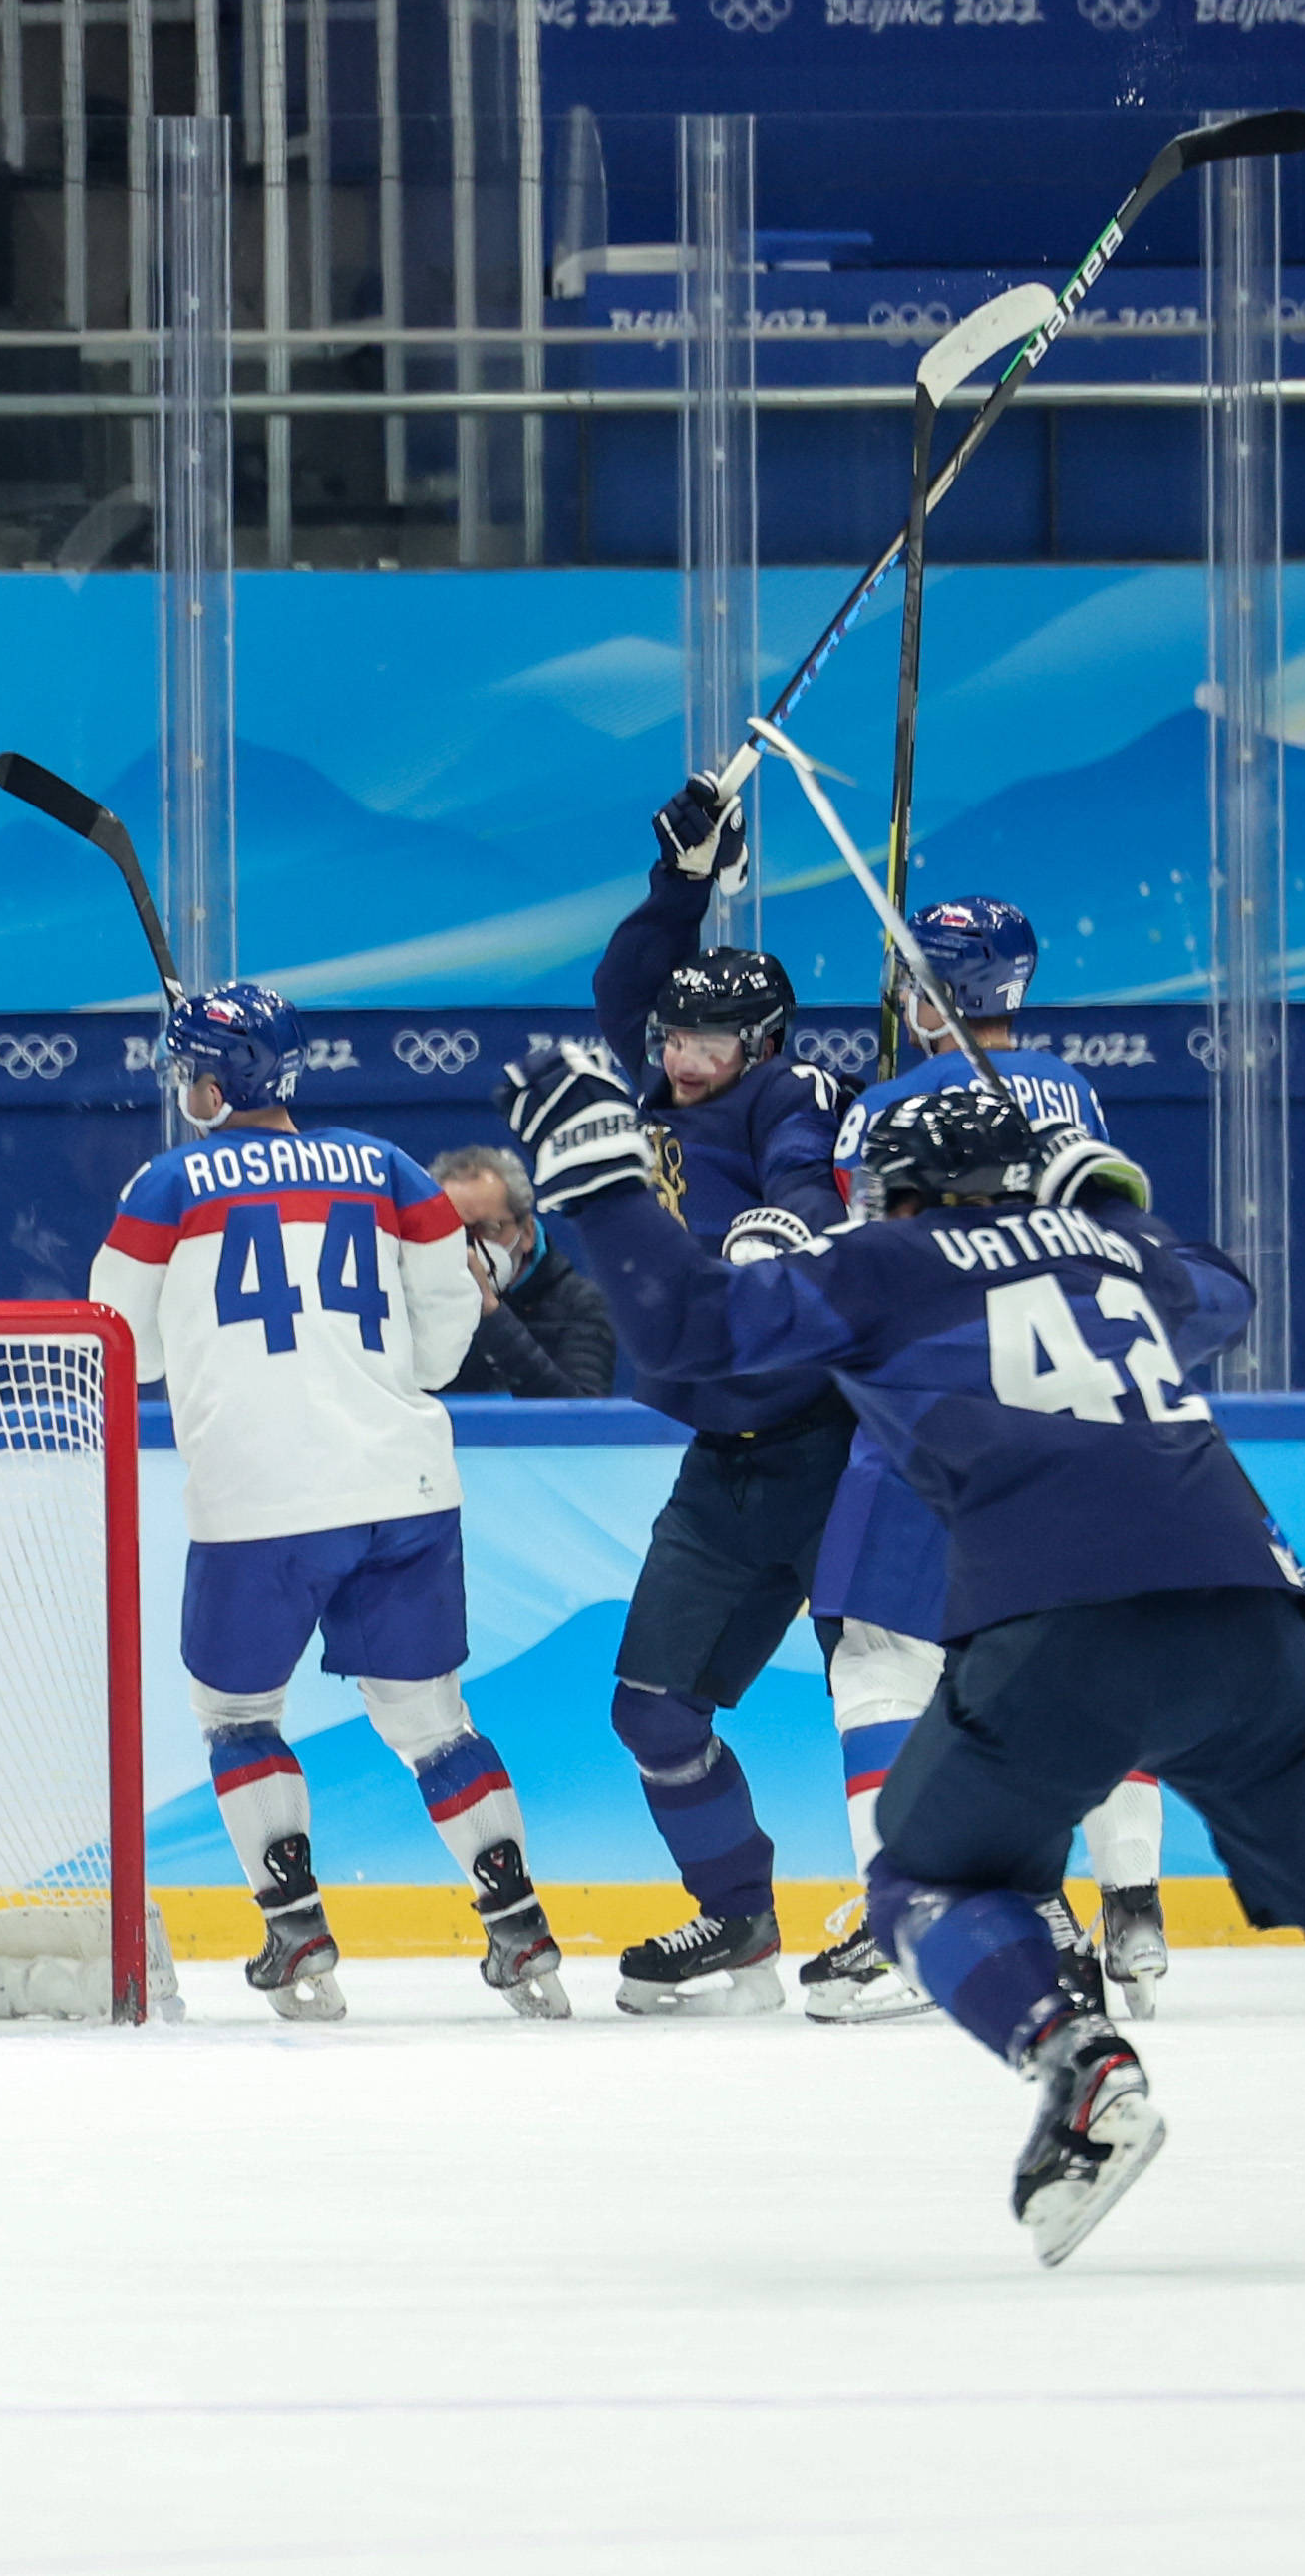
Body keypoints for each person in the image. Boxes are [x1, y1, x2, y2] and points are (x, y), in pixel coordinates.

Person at [504, 1061, 1305, 2268]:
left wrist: (598, 1179)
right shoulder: (1116, 1257)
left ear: (908, 1195)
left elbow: (690, 1330)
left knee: (924, 1882)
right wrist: (1110, 1199)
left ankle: (1078, 2062)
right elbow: (1221, 1291)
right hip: (1244, 1619)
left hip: (1056, 1627)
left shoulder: (886, 1266)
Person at [91, 985, 566, 2024]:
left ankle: (296, 1926)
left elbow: (117, 1343)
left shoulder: (166, 1183)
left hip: (257, 1493)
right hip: (403, 1481)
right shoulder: (388, 1167)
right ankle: (519, 1924)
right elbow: (446, 1330)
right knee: (434, 1722)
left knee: (235, 1714)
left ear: (215, 1082)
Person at [796, 895, 1169, 2025]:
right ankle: (1135, 1903)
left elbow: (860, 1264)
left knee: (878, 1665)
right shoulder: (1077, 1090)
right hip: (1074, 1396)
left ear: (937, 988)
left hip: (937, 1404)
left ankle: (895, 1913)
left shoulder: (886, 1106)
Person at [572, 776, 854, 2017]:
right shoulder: (657, 1090)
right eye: (673, 1041)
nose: (678, 1058)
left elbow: (809, 1182)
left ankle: (965, 1908)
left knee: (901, 1696)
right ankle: (737, 1918)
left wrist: (770, 1233)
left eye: (706, 1044)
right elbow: (624, 989)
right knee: (651, 1706)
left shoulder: (791, 1094)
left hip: (847, 1448)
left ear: (764, 1045)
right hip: (730, 1462)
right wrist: (681, 884)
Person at [430, 1143, 617, 1399]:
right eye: (454, 1231)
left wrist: (492, 1315)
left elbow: (581, 1418)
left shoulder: (579, 1303)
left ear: (527, 1232)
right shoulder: (416, 1300)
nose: (469, 1248)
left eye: (489, 1228)